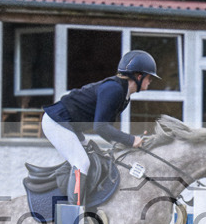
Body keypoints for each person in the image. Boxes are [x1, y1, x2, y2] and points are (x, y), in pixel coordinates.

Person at [42, 50, 159, 205]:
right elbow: (101, 127)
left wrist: (127, 142)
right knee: (82, 162)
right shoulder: (114, 89)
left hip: (71, 126)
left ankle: (88, 205)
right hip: (57, 121)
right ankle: (72, 216)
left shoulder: (124, 95)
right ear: (139, 76)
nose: (150, 81)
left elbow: (106, 129)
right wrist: (130, 140)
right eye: (149, 77)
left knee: (94, 158)